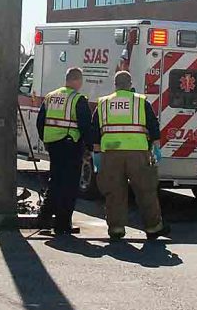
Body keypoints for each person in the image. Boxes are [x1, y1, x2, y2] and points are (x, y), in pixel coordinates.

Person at [92, 70, 169, 241]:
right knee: (145, 190)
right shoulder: (140, 102)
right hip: (138, 154)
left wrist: (97, 154)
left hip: (110, 154)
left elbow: (95, 132)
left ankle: (116, 228)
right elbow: (153, 125)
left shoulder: (103, 104)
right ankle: (153, 227)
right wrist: (156, 147)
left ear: (115, 85)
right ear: (130, 84)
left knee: (114, 192)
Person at [35, 66, 93, 236]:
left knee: (55, 181)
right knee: (69, 186)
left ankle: (44, 218)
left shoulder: (51, 97)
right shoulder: (78, 99)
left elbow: (40, 122)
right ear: (77, 80)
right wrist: (89, 147)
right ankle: (62, 224)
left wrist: (46, 139)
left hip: (54, 145)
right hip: (70, 146)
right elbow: (84, 126)